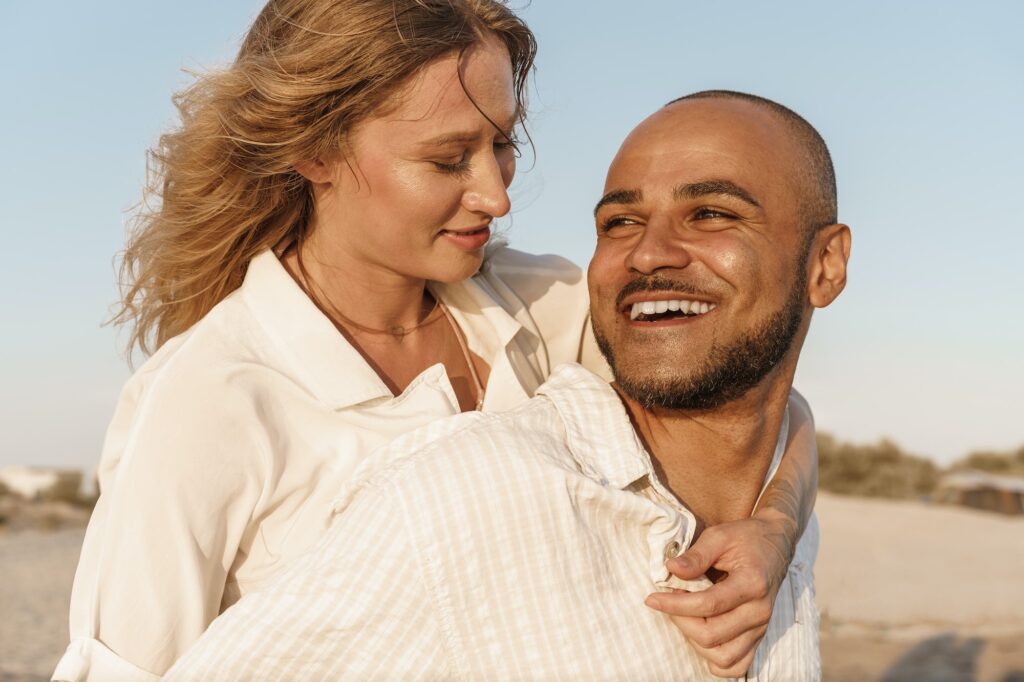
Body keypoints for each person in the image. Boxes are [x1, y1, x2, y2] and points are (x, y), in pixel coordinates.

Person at [53, 2, 818, 679]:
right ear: (314, 151)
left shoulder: (540, 307)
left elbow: (754, 394)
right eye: (448, 159)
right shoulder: (212, 398)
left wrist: (776, 530)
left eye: (503, 145)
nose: (497, 193)